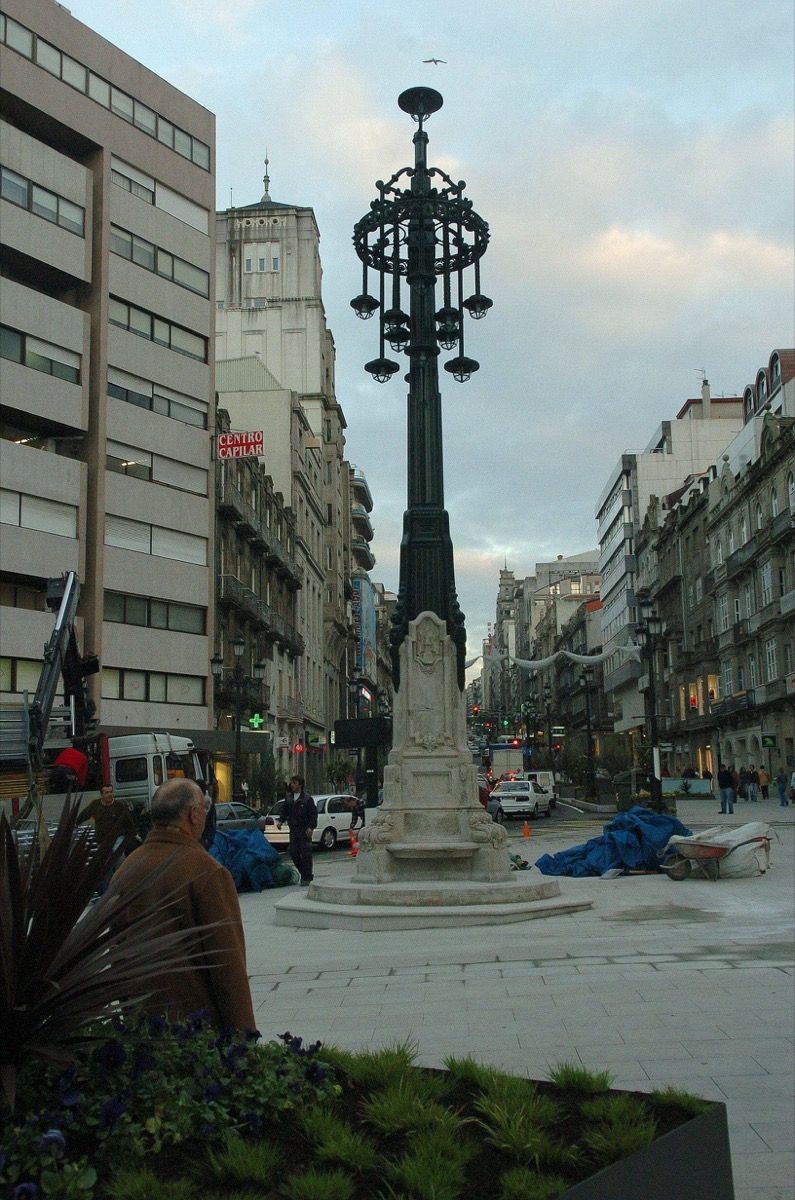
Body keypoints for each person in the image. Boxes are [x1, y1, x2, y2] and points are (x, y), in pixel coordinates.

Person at [110, 778, 256, 1031]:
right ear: (194, 814)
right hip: (196, 1032)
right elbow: (227, 966)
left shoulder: (125, 870)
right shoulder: (204, 870)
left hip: (141, 1030)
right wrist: (245, 1038)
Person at [278, 774, 317, 886]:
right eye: (291, 783)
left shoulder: (307, 799)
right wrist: (281, 820)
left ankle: (307, 876)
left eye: (294, 783)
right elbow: (284, 811)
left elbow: (313, 814)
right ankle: (304, 873)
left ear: (300, 785)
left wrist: (311, 827)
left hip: (304, 829)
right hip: (293, 829)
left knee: (305, 854)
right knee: (293, 852)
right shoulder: (289, 797)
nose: (292, 785)